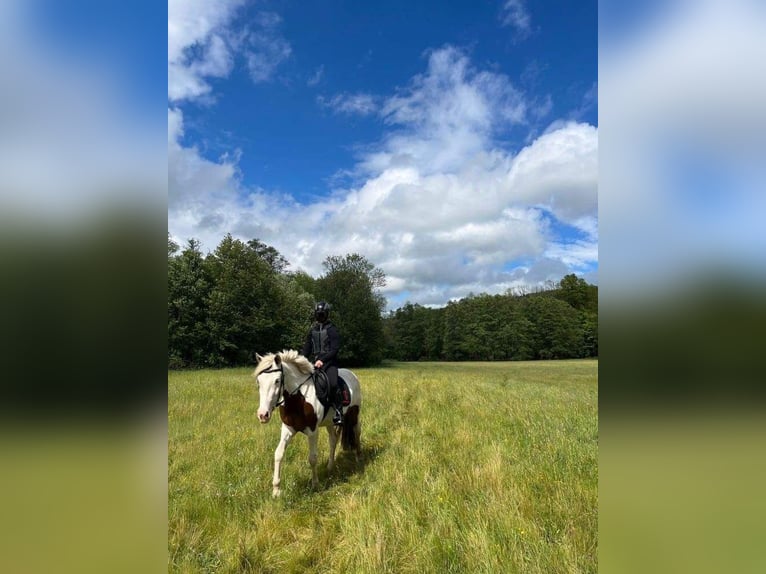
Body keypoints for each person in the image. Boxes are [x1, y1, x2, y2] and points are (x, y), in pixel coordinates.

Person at [301, 301, 343, 425]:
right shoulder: (312, 331)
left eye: (322, 314)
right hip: (315, 364)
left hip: (330, 363)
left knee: (334, 384)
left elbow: (335, 349)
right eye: (318, 314)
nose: (320, 317)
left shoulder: (332, 330)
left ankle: (339, 412)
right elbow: (307, 349)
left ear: (327, 315)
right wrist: (299, 361)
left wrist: (322, 360)